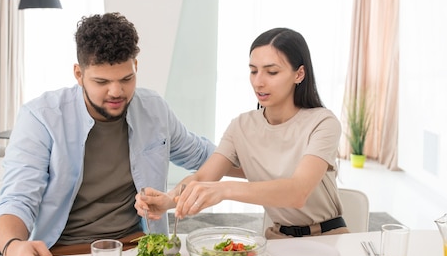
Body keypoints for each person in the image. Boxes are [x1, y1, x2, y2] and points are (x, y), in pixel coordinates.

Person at [0, 12, 216, 256]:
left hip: (140, 247)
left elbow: (205, 155)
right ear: (79, 74)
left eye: (126, 79)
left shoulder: (154, 109)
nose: (116, 92)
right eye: (102, 82)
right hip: (64, 253)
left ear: (136, 67)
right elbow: (17, 200)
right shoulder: (41, 117)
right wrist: (13, 248)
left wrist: (264, 161)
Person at [136, 27, 348, 238]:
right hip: (278, 239)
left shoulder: (323, 122)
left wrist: (225, 190)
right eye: (254, 71)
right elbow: (203, 176)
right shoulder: (241, 126)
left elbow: (297, 192)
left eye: (272, 72)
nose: (258, 82)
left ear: (299, 74)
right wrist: (168, 200)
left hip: (329, 238)